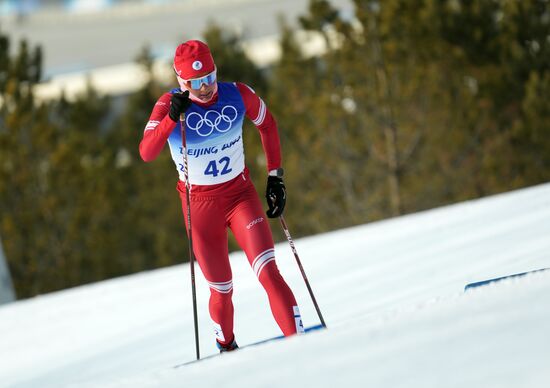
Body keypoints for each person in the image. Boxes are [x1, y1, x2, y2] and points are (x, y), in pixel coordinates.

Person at [139, 40, 305, 352]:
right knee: (222, 289)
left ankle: (301, 342)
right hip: (200, 207)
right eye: (196, 83)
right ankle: (226, 344)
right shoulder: (168, 104)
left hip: (240, 195)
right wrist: (171, 119)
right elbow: (147, 152)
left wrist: (275, 177)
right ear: (181, 82)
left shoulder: (237, 93)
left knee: (269, 271)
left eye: (210, 78)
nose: (205, 89)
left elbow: (268, 125)